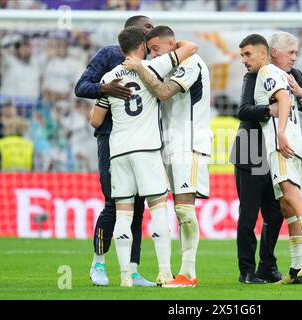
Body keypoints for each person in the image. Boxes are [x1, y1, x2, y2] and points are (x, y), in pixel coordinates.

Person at [89, 26, 198, 287]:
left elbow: (95, 121)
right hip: (146, 150)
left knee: (123, 213)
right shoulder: (153, 67)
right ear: (142, 47)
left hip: (118, 152)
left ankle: (125, 276)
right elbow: (190, 47)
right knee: (158, 211)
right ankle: (164, 272)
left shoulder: (109, 77)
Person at [230, 32, 302, 284]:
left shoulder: (294, 76)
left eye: (296, 52)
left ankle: (267, 267)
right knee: (249, 213)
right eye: (291, 52)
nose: (295, 57)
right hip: (251, 148)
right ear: (274, 52)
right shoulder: (255, 74)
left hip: (278, 150)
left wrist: (300, 91)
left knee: (276, 213)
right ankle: (247, 270)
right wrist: (267, 110)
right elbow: (242, 110)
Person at [123, 25, 211, 288]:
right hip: (169, 145)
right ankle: (179, 274)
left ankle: (188, 274)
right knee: (175, 208)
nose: (151, 56)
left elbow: (163, 92)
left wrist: (139, 68)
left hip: (189, 142)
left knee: (184, 209)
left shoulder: (192, 62)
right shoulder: (166, 66)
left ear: (171, 45)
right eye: (148, 52)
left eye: (154, 49)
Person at [74, 15, 155, 287]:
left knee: (139, 205)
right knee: (113, 202)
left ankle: (132, 269)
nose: (151, 31)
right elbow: (81, 86)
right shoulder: (109, 55)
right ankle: (98, 263)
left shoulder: (152, 61)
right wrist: (103, 89)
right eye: (147, 27)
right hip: (111, 139)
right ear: (131, 31)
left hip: (142, 142)